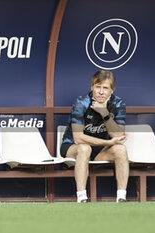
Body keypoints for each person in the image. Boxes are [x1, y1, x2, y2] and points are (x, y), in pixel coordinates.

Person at [60, 70, 128, 203]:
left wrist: (104, 112)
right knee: (84, 148)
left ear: (112, 90)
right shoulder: (81, 102)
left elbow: (118, 136)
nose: (101, 92)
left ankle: (121, 197)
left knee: (121, 149)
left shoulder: (118, 104)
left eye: (105, 88)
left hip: (99, 150)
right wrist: (108, 143)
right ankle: (82, 197)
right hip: (72, 147)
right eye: (98, 87)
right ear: (92, 87)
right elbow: (78, 138)